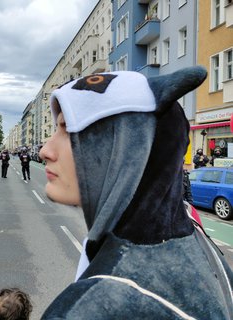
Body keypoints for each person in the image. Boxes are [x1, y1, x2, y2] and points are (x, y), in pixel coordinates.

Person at [39, 67, 233, 319]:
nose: (45, 150)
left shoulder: (91, 306)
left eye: (68, 129)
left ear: (127, 151)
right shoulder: (201, 244)